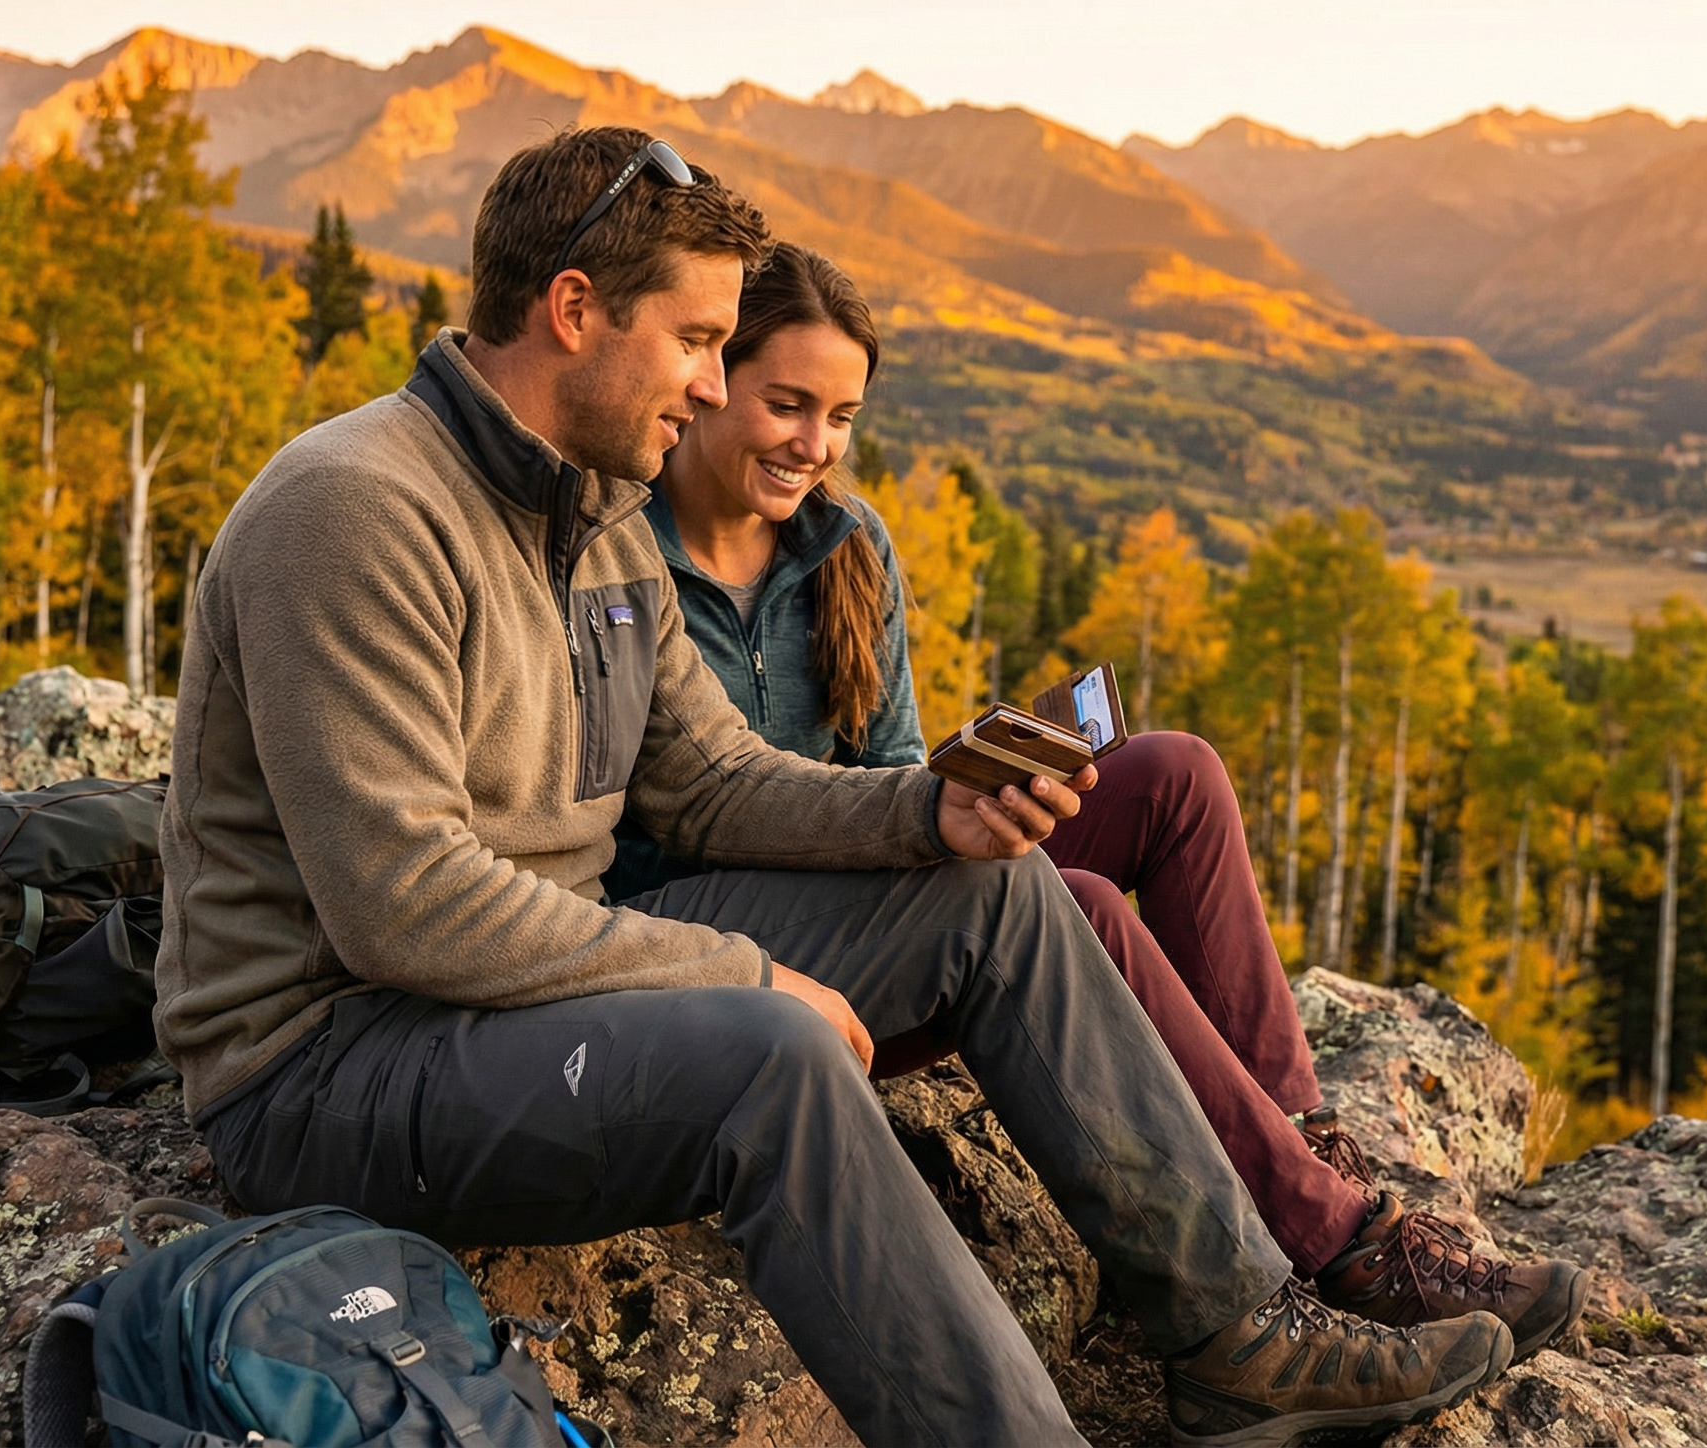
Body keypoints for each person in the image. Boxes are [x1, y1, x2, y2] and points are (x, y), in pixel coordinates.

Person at [159, 125, 1516, 1448]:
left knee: (998, 894)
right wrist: (737, 975)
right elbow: (404, 908)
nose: (708, 386)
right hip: (332, 1065)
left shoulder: (599, 515)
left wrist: (930, 816)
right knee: (775, 1055)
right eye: (695, 341)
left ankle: (1237, 1345)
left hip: (519, 1011)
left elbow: (710, 783)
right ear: (573, 309)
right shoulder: (354, 510)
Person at [616, 242, 1591, 1353]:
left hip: (874, 890)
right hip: (737, 960)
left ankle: (1295, 1144)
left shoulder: (849, 545)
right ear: (706, 381)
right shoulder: (620, 561)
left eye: (839, 416)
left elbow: (886, 773)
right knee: (1068, 902)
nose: (813, 445)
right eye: (785, 404)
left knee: (1173, 773)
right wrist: (938, 838)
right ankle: (1342, 1242)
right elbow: (667, 827)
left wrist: (980, 783)